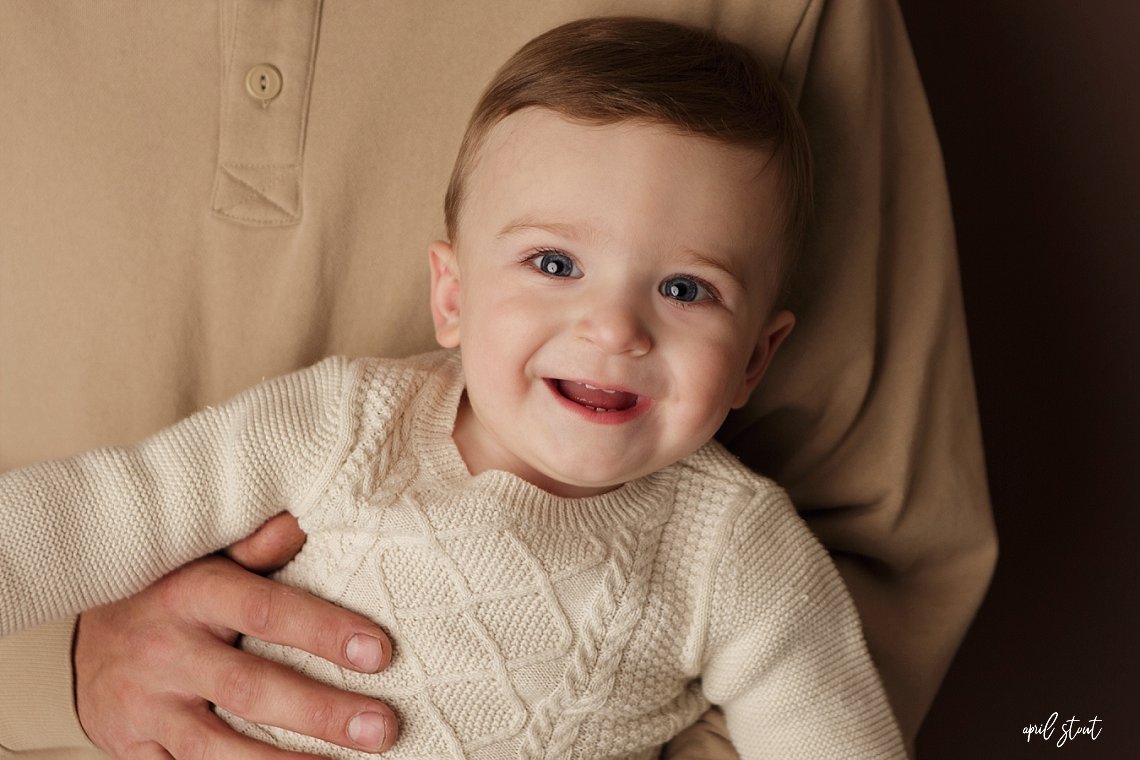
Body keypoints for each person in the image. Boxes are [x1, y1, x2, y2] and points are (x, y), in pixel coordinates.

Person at [0, 2, 996, 759]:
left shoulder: (736, 552)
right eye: (555, 265)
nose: (612, 326)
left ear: (755, 359)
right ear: (452, 295)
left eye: (687, 287)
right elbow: (100, 509)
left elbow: (829, 730)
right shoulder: (346, 421)